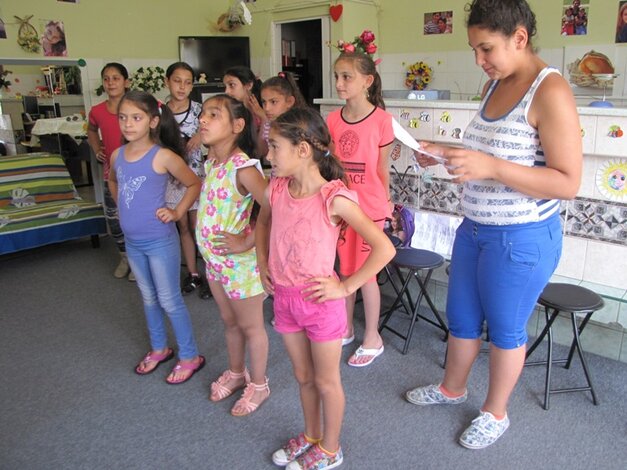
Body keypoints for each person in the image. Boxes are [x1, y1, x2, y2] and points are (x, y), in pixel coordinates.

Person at [407, 0, 582, 449]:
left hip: (521, 237)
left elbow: (567, 182)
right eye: (474, 50)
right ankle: (452, 388)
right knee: (461, 318)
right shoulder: (495, 83)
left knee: (505, 329)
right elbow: (489, 156)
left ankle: (495, 412)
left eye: (486, 49)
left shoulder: (550, 91)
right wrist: (443, 154)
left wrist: (490, 166)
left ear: (519, 38)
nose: (479, 61)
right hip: (476, 229)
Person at [256, 108, 395, 469]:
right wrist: (261, 261)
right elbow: (263, 224)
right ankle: (312, 435)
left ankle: (331, 449)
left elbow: (384, 248)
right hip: (285, 300)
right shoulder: (277, 188)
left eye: (274, 147)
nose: (268, 155)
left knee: (326, 381)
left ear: (303, 150)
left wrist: (345, 286)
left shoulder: (334, 198)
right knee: (303, 377)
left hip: (320, 304)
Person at [109, 90, 205, 384]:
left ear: (152, 121)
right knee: (148, 296)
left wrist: (176, 213)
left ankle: (190, 356)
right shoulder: (117, 155)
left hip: (159, 240)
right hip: (133, 241)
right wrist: (123, 208)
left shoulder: (163, 156)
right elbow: (113, 180)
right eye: (123, 118)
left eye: (136, 118)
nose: (128, 124)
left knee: (169, 299)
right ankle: (159, 348)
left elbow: (193, 184)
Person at [196, 94, 270, 416]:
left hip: (240, 267)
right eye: (203, 113)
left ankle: (259, 384)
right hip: (215, 263)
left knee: (252, 327)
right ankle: (237, 372)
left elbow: (274, 207)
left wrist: (247, 241)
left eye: (214, 115)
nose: (203, 120)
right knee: (229, 322)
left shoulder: (244, 168)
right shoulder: (212, 162)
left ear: (237, 126)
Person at [326, 50, 394, 367]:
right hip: (342, 207)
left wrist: (387, 202)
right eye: (337, 76)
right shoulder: (332, 119)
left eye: (346, 77)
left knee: (366, 275)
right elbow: (331, 166)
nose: (339, 83)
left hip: (370, 209)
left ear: (367, 81)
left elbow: (382, 170)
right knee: (344, 270)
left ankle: (373, 338)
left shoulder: (382, 120)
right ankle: (347, 327)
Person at [87, 63, 135, 281]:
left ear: (126, 82)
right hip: (112, 174)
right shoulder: (97, 111)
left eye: (116, 78)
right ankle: (125, 257)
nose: (111, 82)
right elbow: (91, 130)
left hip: (137, 172)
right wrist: (97, 148)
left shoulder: (138, 105)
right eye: (106, 78)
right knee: (114, 218)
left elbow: (160, 115)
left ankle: (138, 261)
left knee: (136, 218)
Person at [164, 62, 206, 295]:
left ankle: (211, 274)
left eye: (188, 82)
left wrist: (201, 135)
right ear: (167, 81)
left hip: (196, 176)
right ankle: (193, 274)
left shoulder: (201, 110)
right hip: (172, 179)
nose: (182, 86)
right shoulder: (159, 111)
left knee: (198, 225)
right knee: (183, 226)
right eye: (177, 81)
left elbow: (216, 133)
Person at [259, 71, 307, 159]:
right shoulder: (268, 124)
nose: (267, 108)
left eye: (273, 102)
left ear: (289, 102)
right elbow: (262, 151)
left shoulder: (300, 126)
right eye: (264, 102)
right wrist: (264, 119)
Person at [222, 66, 267, 157]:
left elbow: (260, 152)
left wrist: (264, 117)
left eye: (232, 85)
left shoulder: (265, 106)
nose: (226, 91)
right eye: (225, 86)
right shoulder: (230, 110)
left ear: (249, 85)